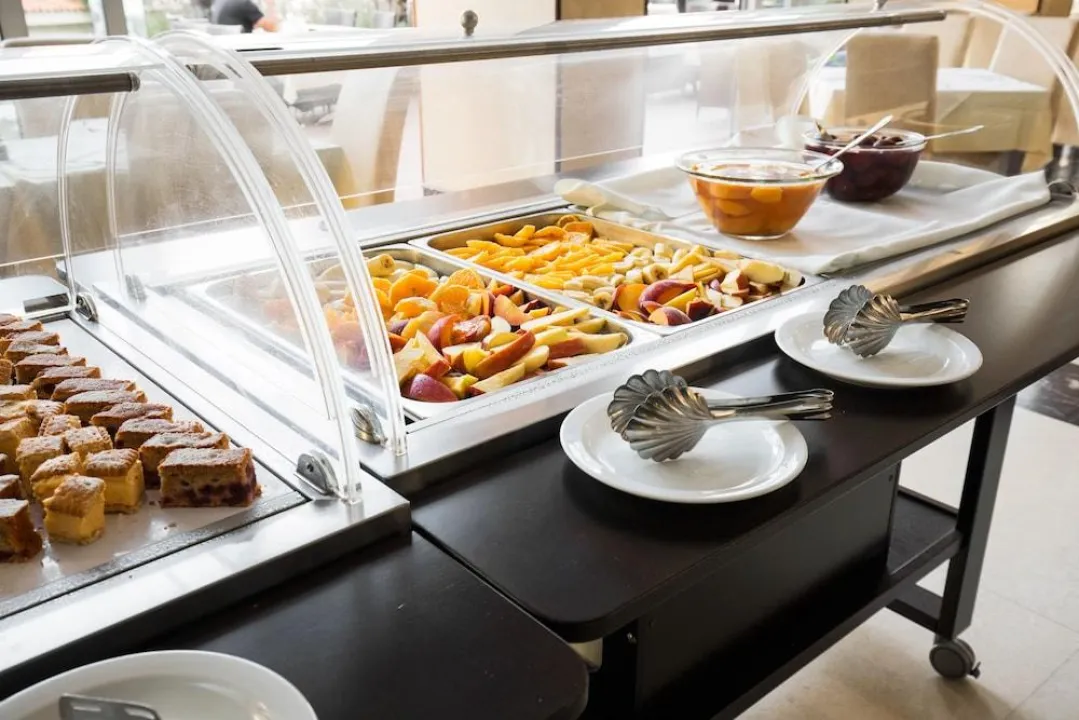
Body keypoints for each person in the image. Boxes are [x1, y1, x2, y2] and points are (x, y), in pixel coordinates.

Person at [210, 0, 279, 33]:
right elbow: (272, 28)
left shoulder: (219, 1)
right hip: (241, 48)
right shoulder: (244, 3)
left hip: (225, 49)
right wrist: (271, 5)